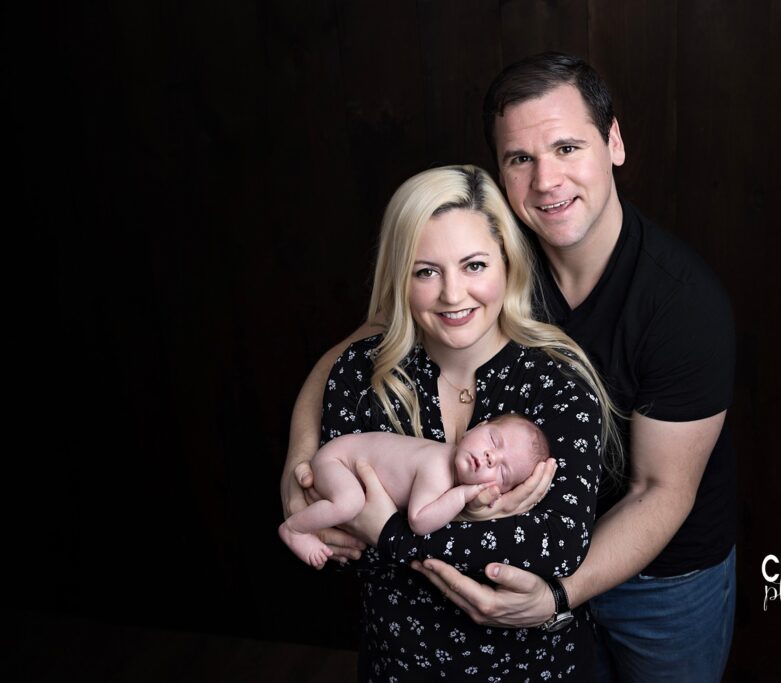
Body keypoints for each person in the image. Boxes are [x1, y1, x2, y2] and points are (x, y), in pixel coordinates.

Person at [281, 52, 738, 682]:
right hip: (510, 557)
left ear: (615, 143)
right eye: (520, 159)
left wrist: (554, 597)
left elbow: (659, 491)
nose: (546, 181)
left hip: (660, 571)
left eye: (568, 147)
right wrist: (302, 463)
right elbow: (367, 341)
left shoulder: (682, 306)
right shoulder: (486, 249)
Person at [288, 163, 620, 680]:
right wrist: (476, 522)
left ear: (507, 264)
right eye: (426, 271)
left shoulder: (558, 385)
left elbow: (557, 547)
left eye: (473, 265)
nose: (452, 294)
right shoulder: (362, 373)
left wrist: (392, 532)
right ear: (400, 277)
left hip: (533, 669)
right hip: (399, 664)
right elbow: (344, 546)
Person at [279, 414, 549, 567]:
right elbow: (419, 521)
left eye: (502, 471)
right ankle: (294, 529)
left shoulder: (446, 462)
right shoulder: (438, 469)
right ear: (476, 427)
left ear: (499, 492)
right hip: (338, 461)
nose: (491, 456)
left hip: (343, 458)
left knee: (352, 501)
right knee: (350, 502)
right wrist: (463, 495)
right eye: (493, 440)